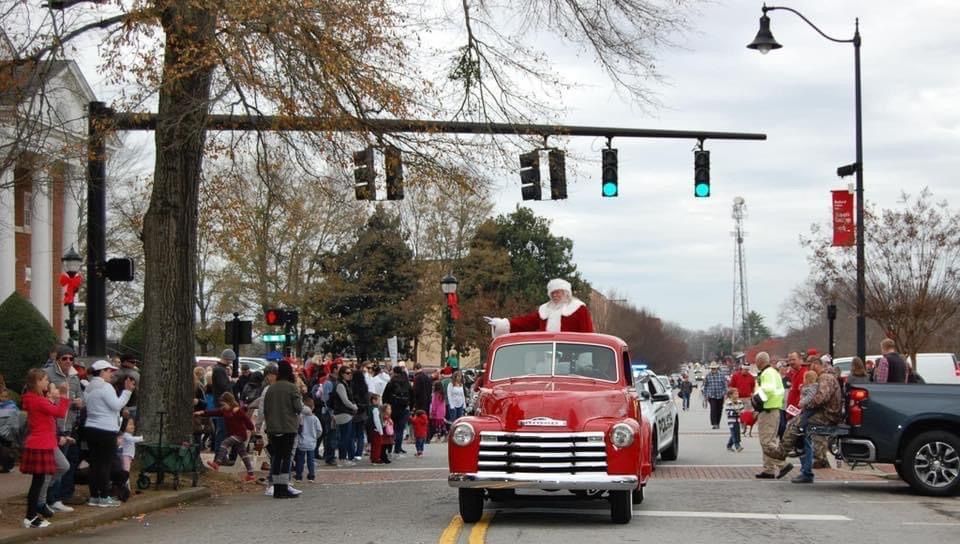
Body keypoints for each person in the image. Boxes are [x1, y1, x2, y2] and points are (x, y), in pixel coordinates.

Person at [775, 357, 843, 484]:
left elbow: (821, 398)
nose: (810, 369)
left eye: (811, 366)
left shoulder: (825, 378)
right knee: (799, 427)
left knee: (799, 428)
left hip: (827, 415)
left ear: (816, 365)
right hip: (825, 413)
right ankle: (798, 458)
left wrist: (806, 404)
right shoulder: (825, 377)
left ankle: (788, 455)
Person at [20, 368, 70, 528]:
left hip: (40, 442)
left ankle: (32, 514)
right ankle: (31, 516)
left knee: (38, 482)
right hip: (41, 443)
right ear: (37, 382)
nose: (48, 382)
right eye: (45, 380)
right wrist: (63, 395)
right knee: (38, 483)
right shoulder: (38, 400)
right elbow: (60, 412)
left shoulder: (33, 399)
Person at [84, 360, 134, 507]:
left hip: (91, 427)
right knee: (105, 464)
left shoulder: (89, 387)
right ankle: (104, 496)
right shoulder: (106, 387)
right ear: (102, 371)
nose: (111, 374)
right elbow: (116, 405)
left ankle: (94, 496)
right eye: (109, 371)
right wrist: (127, 392)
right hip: (106, 429)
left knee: (95, 464)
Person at [42, 345, 82, 511]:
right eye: (64, 358)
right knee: (53, 465)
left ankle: (55, 499)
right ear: (57, 359)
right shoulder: (48, 374)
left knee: (62, 465)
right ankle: (45, 499)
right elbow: (45, 395)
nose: (68, 361)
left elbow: (80, 396)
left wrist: (79, 403)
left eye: (71, 359)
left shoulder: (74, 377)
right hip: (53, 425)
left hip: (68, 424)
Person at [486, 278, 594, 336]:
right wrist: (502, 324)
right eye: (552, 293)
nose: (555, 295)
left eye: (558, 292)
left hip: (572, 354)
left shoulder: (578, 308)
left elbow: (588, 334)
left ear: (566, 292)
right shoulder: (545, 310)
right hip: (546, 353)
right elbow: (525, 322)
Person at [263, 361, 303, 498]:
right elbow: (298, 408)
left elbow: (265, 409)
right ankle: (283, 486)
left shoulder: (271, 389)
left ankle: (275, 487)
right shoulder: (292, 388)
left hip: (273, 427)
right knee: (286, 457)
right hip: (288, 426)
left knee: (276, 457)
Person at [196, 392, 256, 482]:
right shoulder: (224, 410)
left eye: (224, 404)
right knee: (243, 454)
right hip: (233, 434)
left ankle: (217, 462)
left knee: (224, 443)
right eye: (222, 405)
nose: (223, 406)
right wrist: (202, 412)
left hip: (240, 434)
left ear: (230, 402)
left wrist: (251, 429)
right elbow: (214, 412)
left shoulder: (237, 410)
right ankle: (251, 474)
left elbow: (247, 421)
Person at [753, 352, 794, 480]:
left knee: (766, 441)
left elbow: (767, 390)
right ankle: (768, 469)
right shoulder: (773, 373)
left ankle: (782, 465)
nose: (756, 364)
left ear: (761, 361)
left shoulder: (767, 373)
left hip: (768, 410)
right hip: (773, 409)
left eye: (756, 361)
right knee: (769, 440)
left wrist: (757, 400)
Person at [382, 366, 413, 455]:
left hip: (392, 409)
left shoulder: (391, 383)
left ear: (394, 372)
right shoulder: (407, 383)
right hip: (404, 408)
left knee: (390, 428)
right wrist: (410, 407)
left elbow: (385, 396)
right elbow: (412, 396)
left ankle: (389, 447)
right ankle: (398, 448)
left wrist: (386, 408)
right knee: (400, 429)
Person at [331, 366, 358, 464]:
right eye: (347, 373)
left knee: (347, 436)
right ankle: (342, 458)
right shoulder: (340, 385)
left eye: (350, 372)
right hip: (343, 413)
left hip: (347, 413)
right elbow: (345, 400)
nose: (350, 374)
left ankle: (344, 457)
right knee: (344, 437)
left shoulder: (346, 384)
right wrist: (354, 407)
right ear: (342, 374)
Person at [210, 349, 236, 453]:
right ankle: (220, 454)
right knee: (222, 430)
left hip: (221, 403)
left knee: (223, 430)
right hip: (223, 404)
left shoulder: (219, 369)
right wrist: (232, 382)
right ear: (228, 359)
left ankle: (221, 454)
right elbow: (224, 386)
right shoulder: (220, 370)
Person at [294, 399, 321, 482]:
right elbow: (319, 430)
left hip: (301, 442)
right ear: (313, 407)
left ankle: (299, 476)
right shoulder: (315, 418)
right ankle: (311, 476)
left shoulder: (300, 417)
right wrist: (315, 437)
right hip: (311, 442)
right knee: (311, 460)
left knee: (300, 460)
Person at [702, 362, 726, 429]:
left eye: (714, 368)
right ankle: (714, 423)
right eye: (712, 369)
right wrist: (705, 396)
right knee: (713, 409)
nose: (713, 370)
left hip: (720, 395)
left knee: (719, 410)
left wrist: (725, 394)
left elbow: (724, 386)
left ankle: (718, 423)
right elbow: (705, 386)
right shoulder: (708, 376)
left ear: (717, 368)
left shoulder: (721, 375)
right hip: (712, 396)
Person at [724, 388, 744, 452]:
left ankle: (729, 445)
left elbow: (742, 409)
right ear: (730, 395)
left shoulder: (739, 402)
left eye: (737, 394)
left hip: (738, 420)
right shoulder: (728, 402)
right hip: (731, 421)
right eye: (735, 394)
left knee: (737, 432)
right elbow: (727, 412)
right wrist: (735, 412)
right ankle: (737, 445)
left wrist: (742, 412)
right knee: (734, 433)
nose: (737, 395)